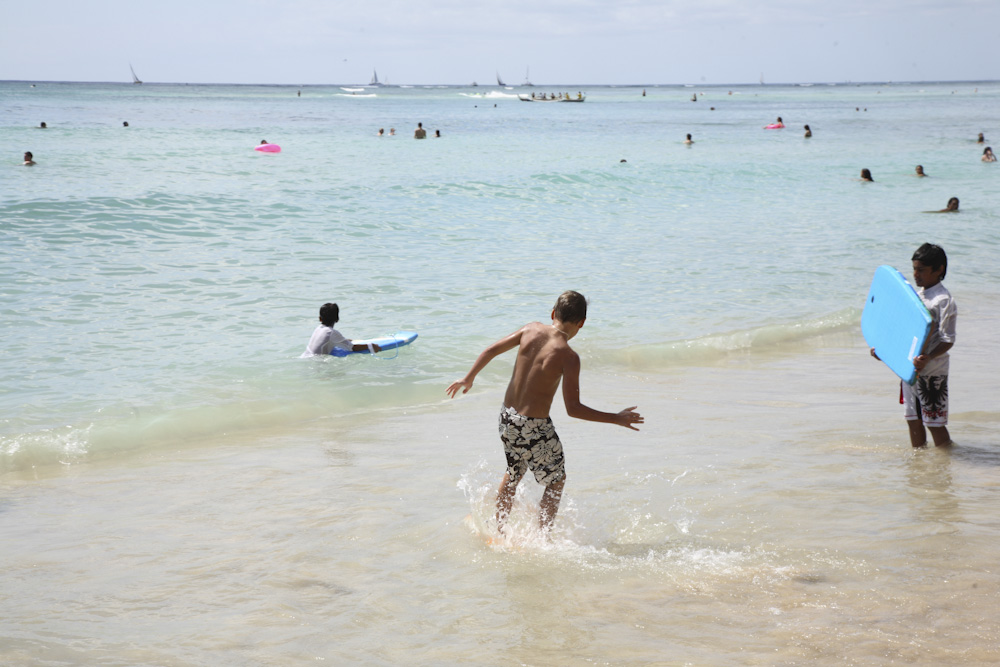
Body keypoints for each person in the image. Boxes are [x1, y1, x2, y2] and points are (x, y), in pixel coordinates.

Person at [446, 291, 643, 534]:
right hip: (534, 427)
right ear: (581, 323)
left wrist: (468, 378)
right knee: (556, 480)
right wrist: (616, 418)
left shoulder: (530, 329)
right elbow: (573, 409)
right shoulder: (569, 357)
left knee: (514, 471)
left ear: (552, 314)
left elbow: (490, 350)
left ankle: (497, 527)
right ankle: (542, 537)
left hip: (507, 418)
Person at [870, 244, 956, 447]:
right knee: (913, 421)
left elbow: (947, 339)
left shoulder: (943, 300)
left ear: (939, 269)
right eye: (914, 269)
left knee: (934, 423)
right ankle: (919, 466)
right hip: (910, 371)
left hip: (933, 372)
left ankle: (946, 461)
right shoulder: (915, 297)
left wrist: (929, 357)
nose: (916, 274)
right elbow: (904, 334)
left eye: (921, 270)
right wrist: (884, 351)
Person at [301, 303, 380, 357]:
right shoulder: (331, 332)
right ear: (337, 319)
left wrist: (343, 340)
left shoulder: (318, 329)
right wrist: (370, 346)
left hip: (304, 357)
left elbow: (325, 342)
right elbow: (352, 348)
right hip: (316, 363)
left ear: (320, 319)